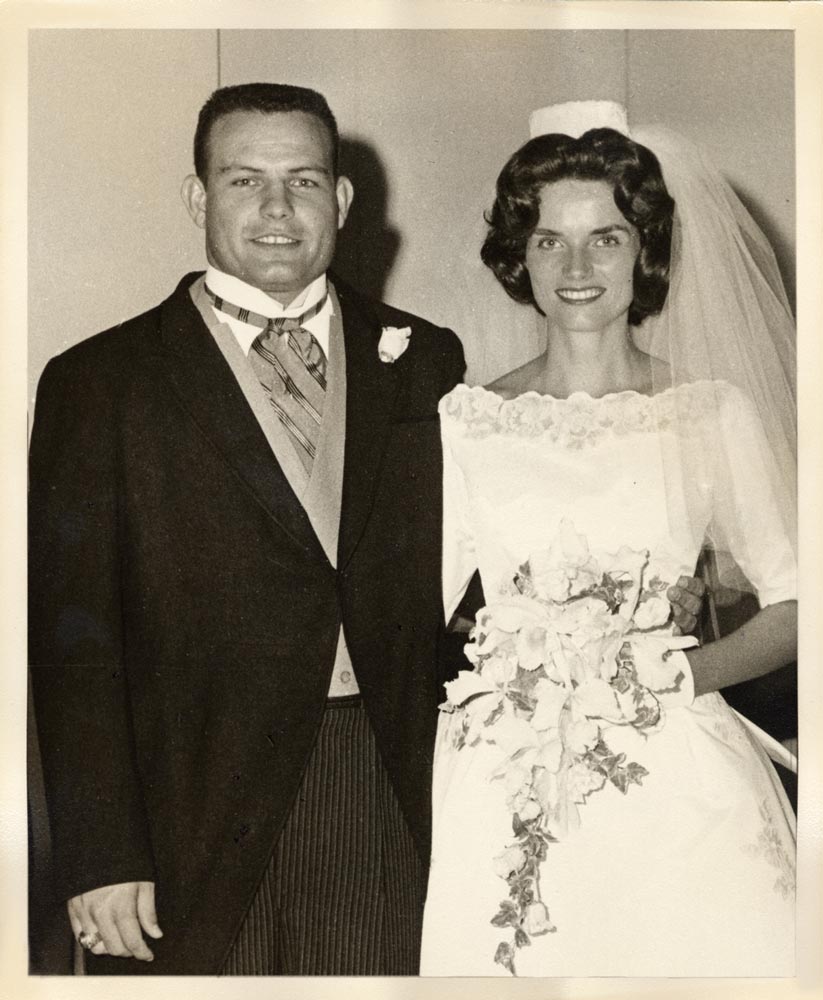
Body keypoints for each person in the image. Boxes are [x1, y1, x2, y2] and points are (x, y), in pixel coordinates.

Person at [27, 84, 703, 977]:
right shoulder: (98, 382)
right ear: (197, 197)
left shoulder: (425, 358)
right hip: (186, 806)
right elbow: (72, 641)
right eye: (244, 181)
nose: (277, 209)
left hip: (383, 784)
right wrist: (103, 853)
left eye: (304, 181)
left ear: (341, 200)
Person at [419, 101, 797, 977]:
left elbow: (796, 603)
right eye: (549, 240)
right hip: (508, 776)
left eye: (607, 238)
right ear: (518, 256)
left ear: (645, 252)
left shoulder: (710, 412)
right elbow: (411, 613)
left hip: (678, 775)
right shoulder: (466, 421)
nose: (577, 267)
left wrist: (677, 674)